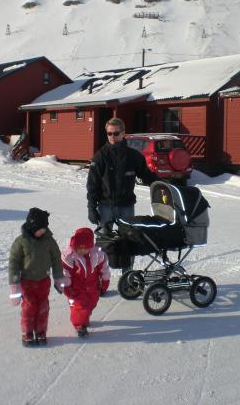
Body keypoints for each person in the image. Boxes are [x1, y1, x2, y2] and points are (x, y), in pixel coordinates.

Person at [86, 117, 158, 271]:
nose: (112, 137)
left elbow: (146, 175)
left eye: (116, 133)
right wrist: (92, 207)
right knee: (103, 243)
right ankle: (99, 275)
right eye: (109, 134)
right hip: (105, 206)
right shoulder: (100, 156)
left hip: (126, 206)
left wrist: (162, 185)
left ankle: (128, 275)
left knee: (129, 240)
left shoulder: (133, 156)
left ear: (123, 133)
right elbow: (92, 185)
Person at [8, 207, 64, 347]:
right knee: (29, 307)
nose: (43, 231)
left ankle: (40, 331)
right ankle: (27, 332)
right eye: (40, 228)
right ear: (32, 227)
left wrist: (58, 278)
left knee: (43, 307)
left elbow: (56, 258)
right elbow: (13, 262)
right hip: (27, 282)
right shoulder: (21, 242)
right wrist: (14, 285)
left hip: (44, 281)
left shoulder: (49, 240)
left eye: (44, 228)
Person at [61, 227, 110, 338]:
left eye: (85, 248)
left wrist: (105, 281)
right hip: (76, 288)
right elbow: (64, 273)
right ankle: (80, 325)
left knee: (91, 303)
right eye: (79, 248)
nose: (81, 251)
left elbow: (104, 269)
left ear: (90, 246)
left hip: (93, 287)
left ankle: (84, 317)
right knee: (80, 306)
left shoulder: (98, 255)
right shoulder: (69, 257)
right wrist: (67, 287)